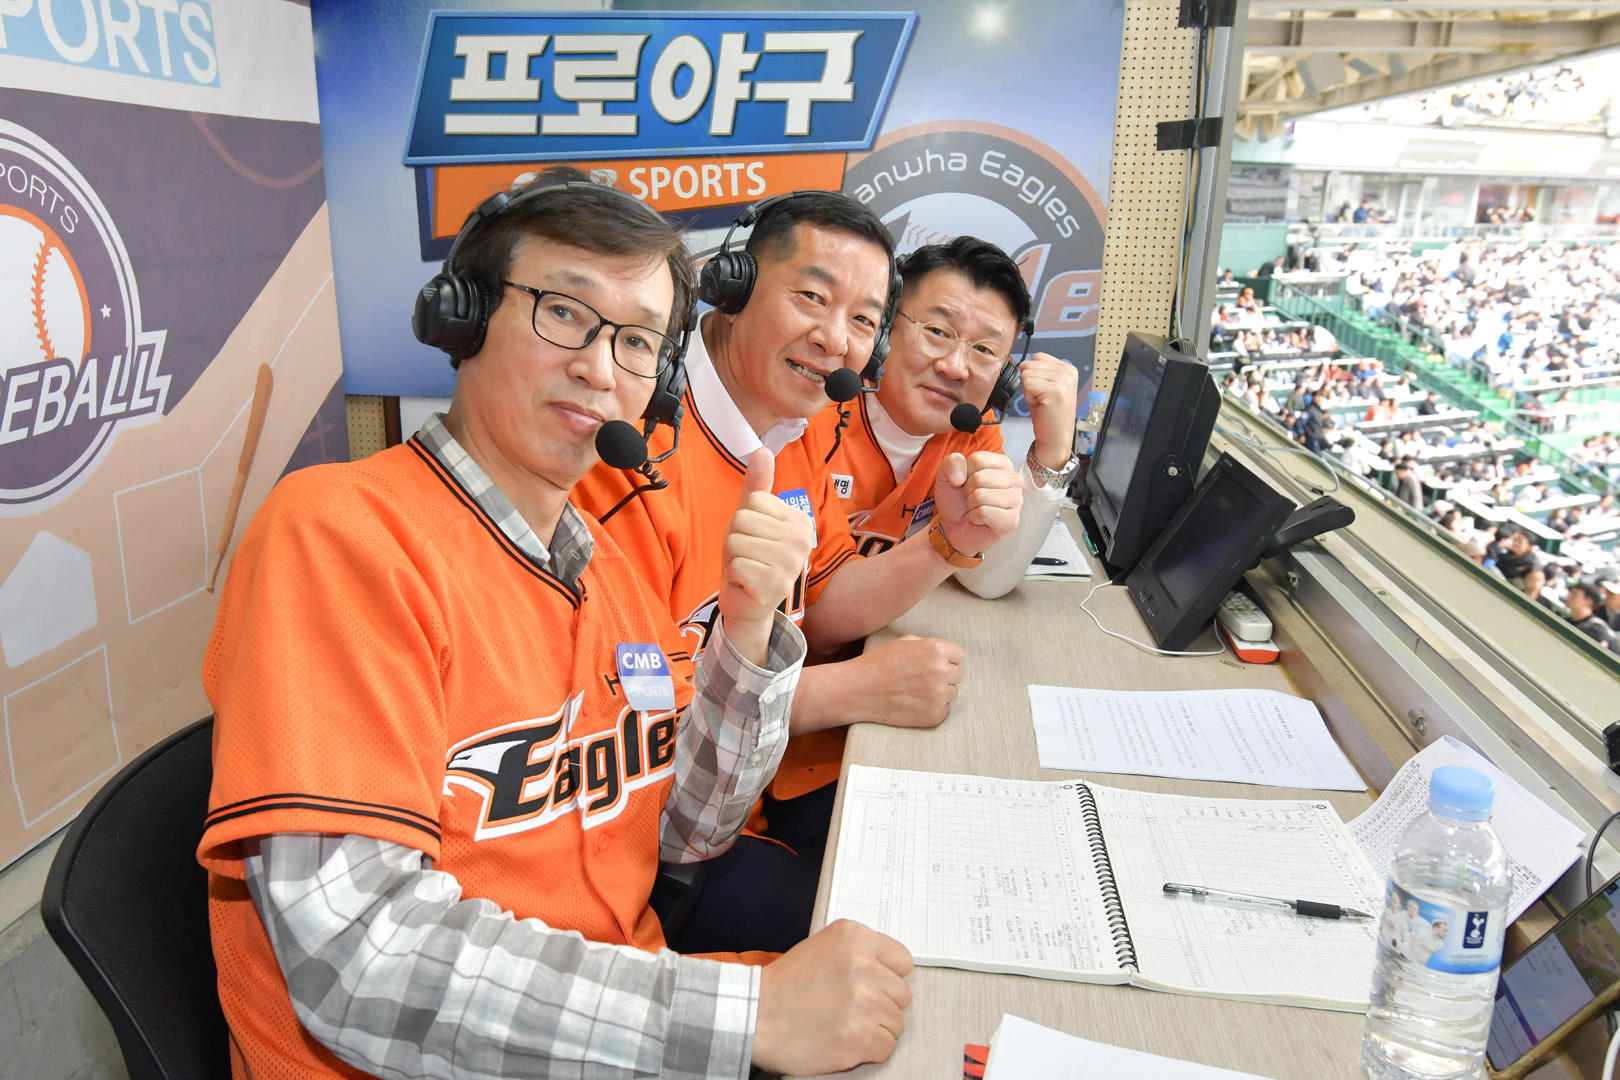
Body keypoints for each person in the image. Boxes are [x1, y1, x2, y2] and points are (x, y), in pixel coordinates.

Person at [196, 172, 915, 1079]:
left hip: (611, 1024)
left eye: (637, 341)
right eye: (565, 314)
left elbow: (688, 833)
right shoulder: (341, 536)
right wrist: (745, 1018)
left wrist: (745, 638)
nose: (599, 368)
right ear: (462, 319)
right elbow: (360, 963)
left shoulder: (603, 565)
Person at [575, 191, 1022, 947]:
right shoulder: (629, 451)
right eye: (813, 297)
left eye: (863, 320)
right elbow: (637, 730)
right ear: (732, 286)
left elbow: (826, 599)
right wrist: (851, 689)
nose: (835, 339)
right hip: (647, 847)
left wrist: (946, 541)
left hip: (741, 800)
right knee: (913, 931)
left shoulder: (795, 426)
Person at [815, 236, 1079, 601]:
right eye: (937, 332)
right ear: (884, 324)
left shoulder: (972, 430)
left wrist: (1052, 453)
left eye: (984, 349)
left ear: (1005, 374)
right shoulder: (811, 409)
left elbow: (986, 581)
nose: (955, 368)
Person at [1566, 582, 1618, 651]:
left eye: (1575, 594)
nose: (1569, 596)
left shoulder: (1595, 629)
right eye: (1571, 593)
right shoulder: (1568, 621)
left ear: (1589, 602)